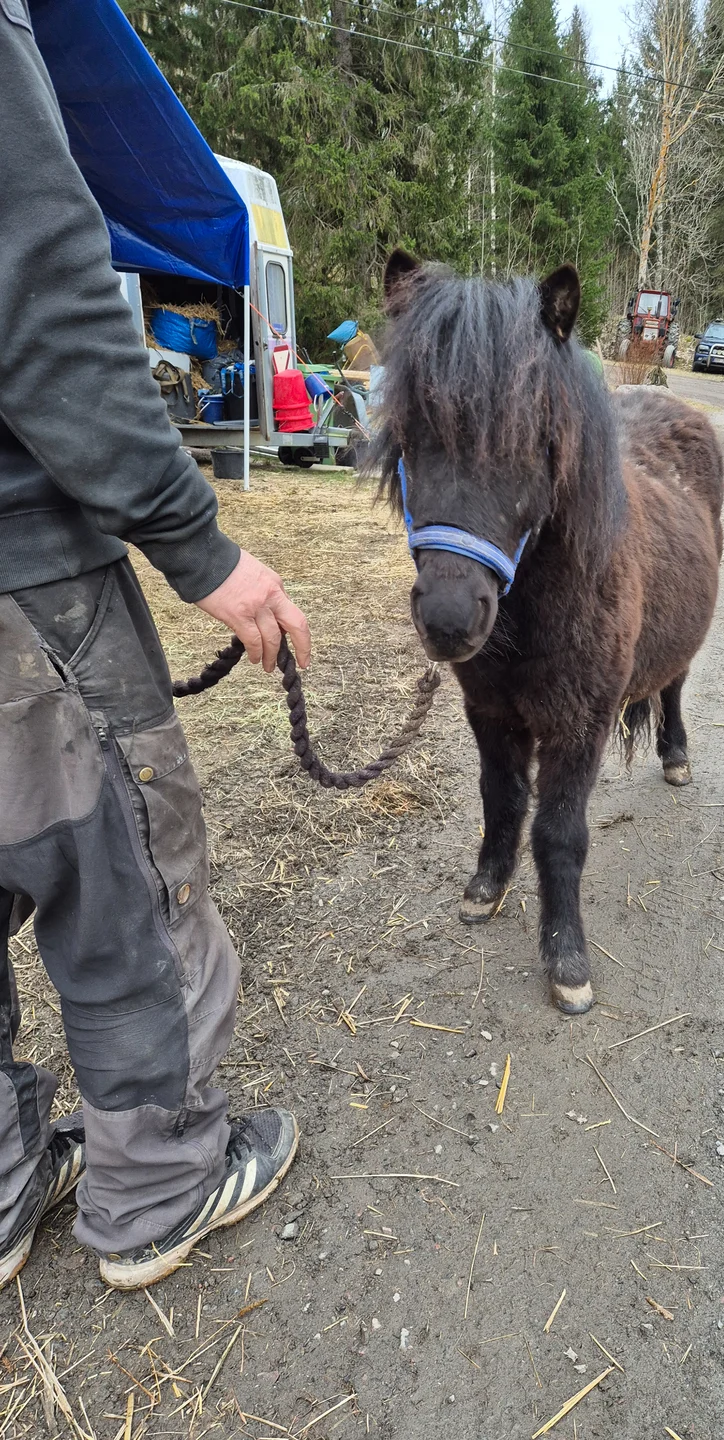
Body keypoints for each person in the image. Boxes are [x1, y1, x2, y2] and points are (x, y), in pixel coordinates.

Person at [0, 4, 309, 1290]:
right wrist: (200, 547)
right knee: (123, 859)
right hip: (23, 572)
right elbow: (44, 302)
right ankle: (159, 1185)